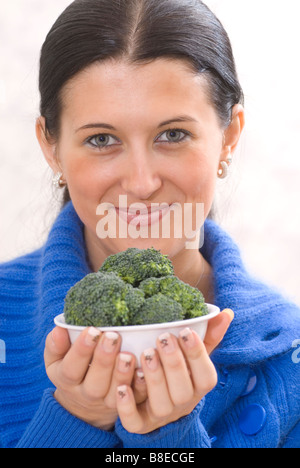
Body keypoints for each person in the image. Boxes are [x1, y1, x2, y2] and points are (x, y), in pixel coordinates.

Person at [0, 0, 299, 449]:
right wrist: (77, 418)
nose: (141, 184)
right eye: (102, 139)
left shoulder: (289, 358)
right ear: (51, 146)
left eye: (173, 135)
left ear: (228, 136)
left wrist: (169, 439)